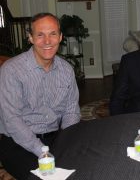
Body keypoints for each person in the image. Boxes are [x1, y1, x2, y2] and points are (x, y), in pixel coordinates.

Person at [0, 12, 80, 179]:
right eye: (40, 35)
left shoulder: (66, 70)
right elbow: (12, 120)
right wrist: (42, 152)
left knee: (83, 168)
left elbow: (71, 111)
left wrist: (66, 141)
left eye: (53, 34)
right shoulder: (12, 70)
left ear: (60, 37)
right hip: (17, 141)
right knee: (43, 176)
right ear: (30, 38)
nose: (47, 41)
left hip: (54, 136)